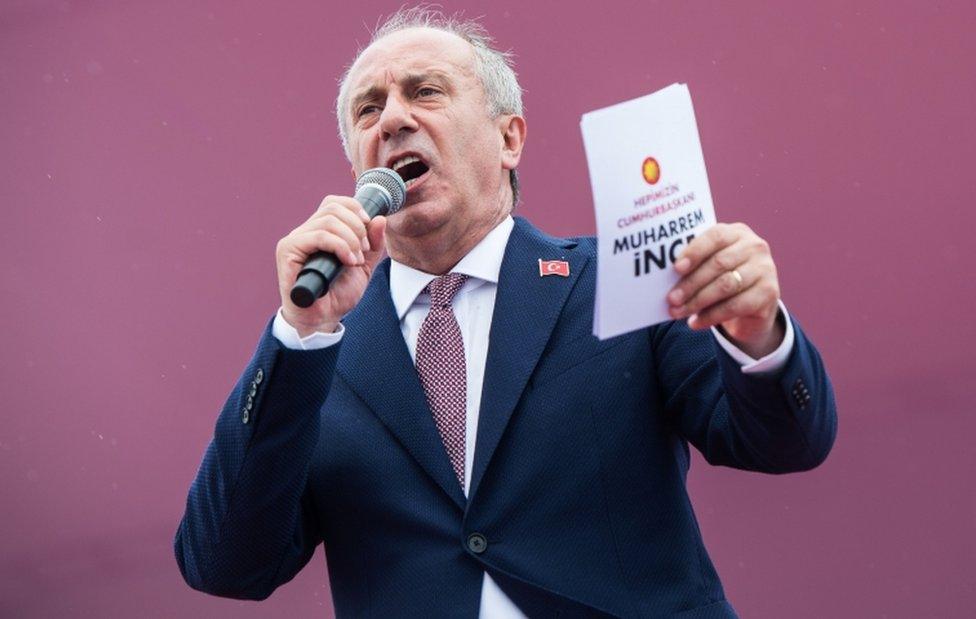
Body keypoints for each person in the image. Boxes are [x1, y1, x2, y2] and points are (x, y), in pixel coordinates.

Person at [174, 8, 837, 618]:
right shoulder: (320, 357)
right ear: (354, 160)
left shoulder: (616, 282)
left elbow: (780, 441)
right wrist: (297, 336)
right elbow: (225, 562)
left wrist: (758, 334)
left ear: (509, 137)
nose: (392, 119)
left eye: (425, 91)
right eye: (367, 109)